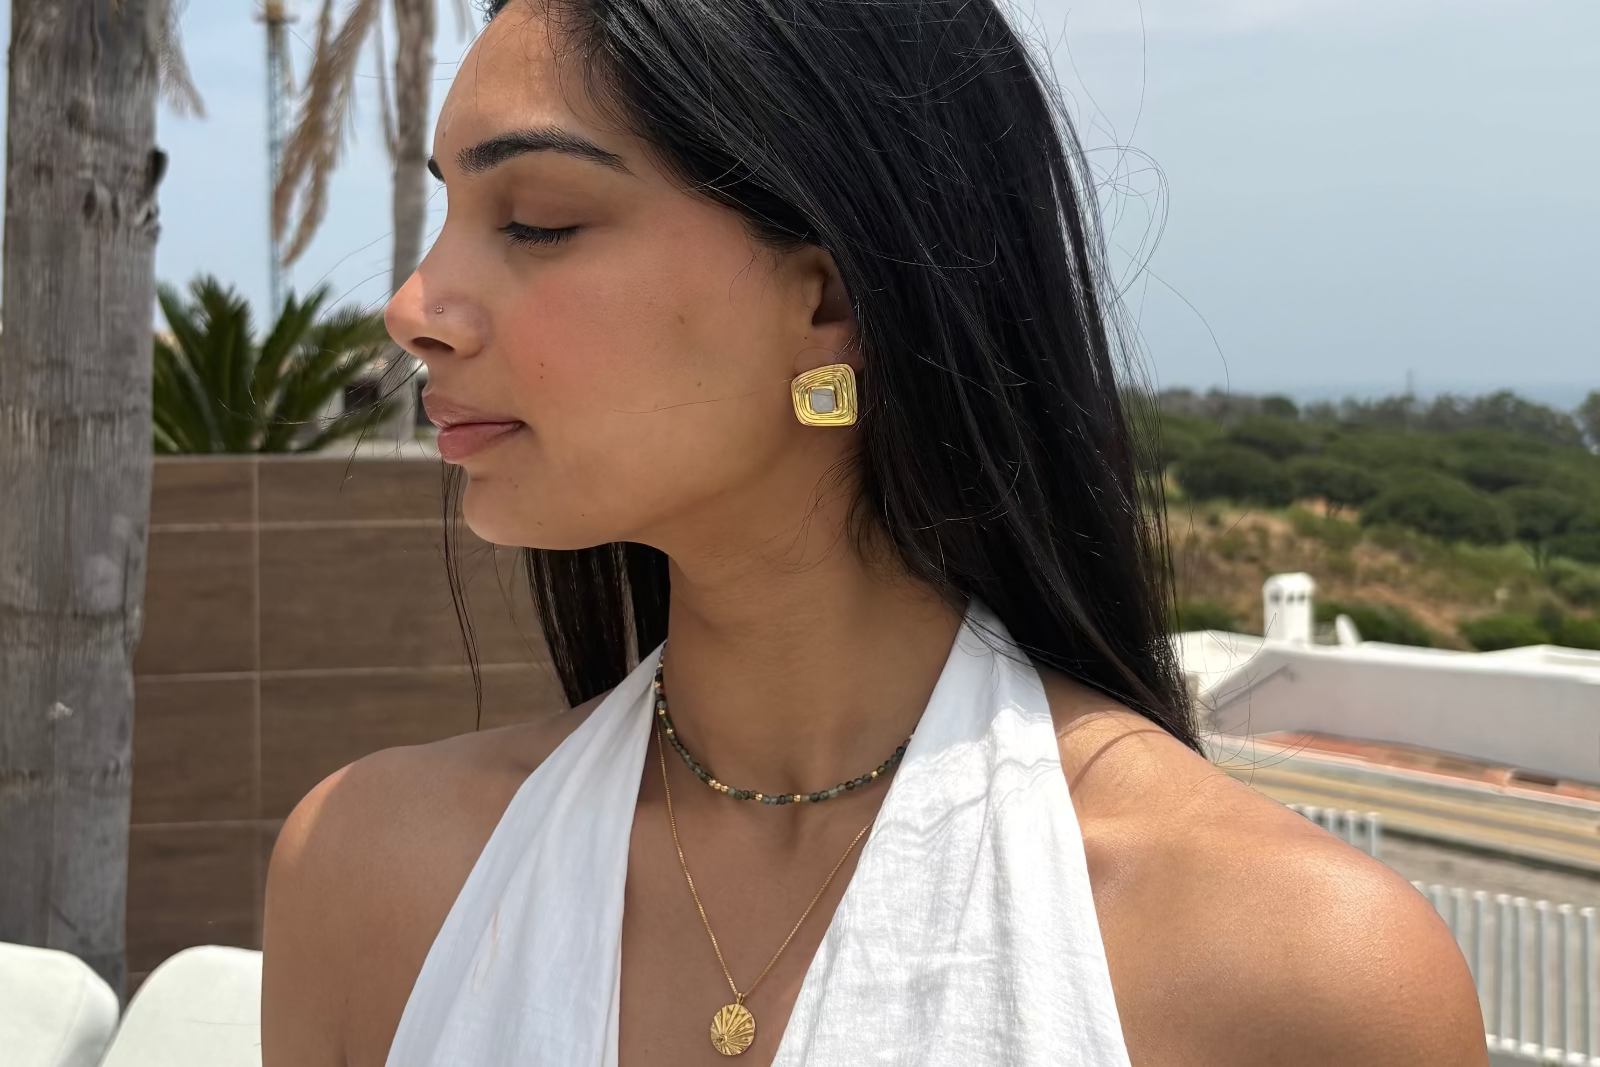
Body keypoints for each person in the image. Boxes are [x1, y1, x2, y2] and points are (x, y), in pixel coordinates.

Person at [261, 0, 1487, 1064]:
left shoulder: (1290, 971)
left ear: (830, 298)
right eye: (446, 214)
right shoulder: (375, 879)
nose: (412, 306)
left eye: (534, 219)